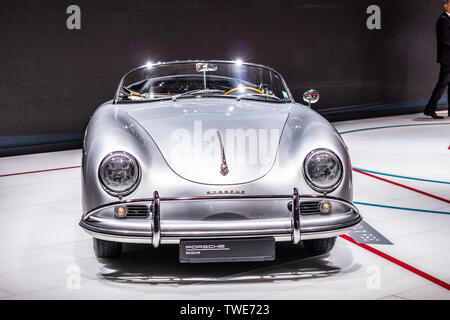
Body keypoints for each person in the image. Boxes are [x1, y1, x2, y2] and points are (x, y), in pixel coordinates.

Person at [424, 0, 450, 119]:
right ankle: (430, 109)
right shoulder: (443, 20)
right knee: (442, 84)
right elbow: (446, 40)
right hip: (447, 58)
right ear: (445, 5)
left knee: (446, 84)